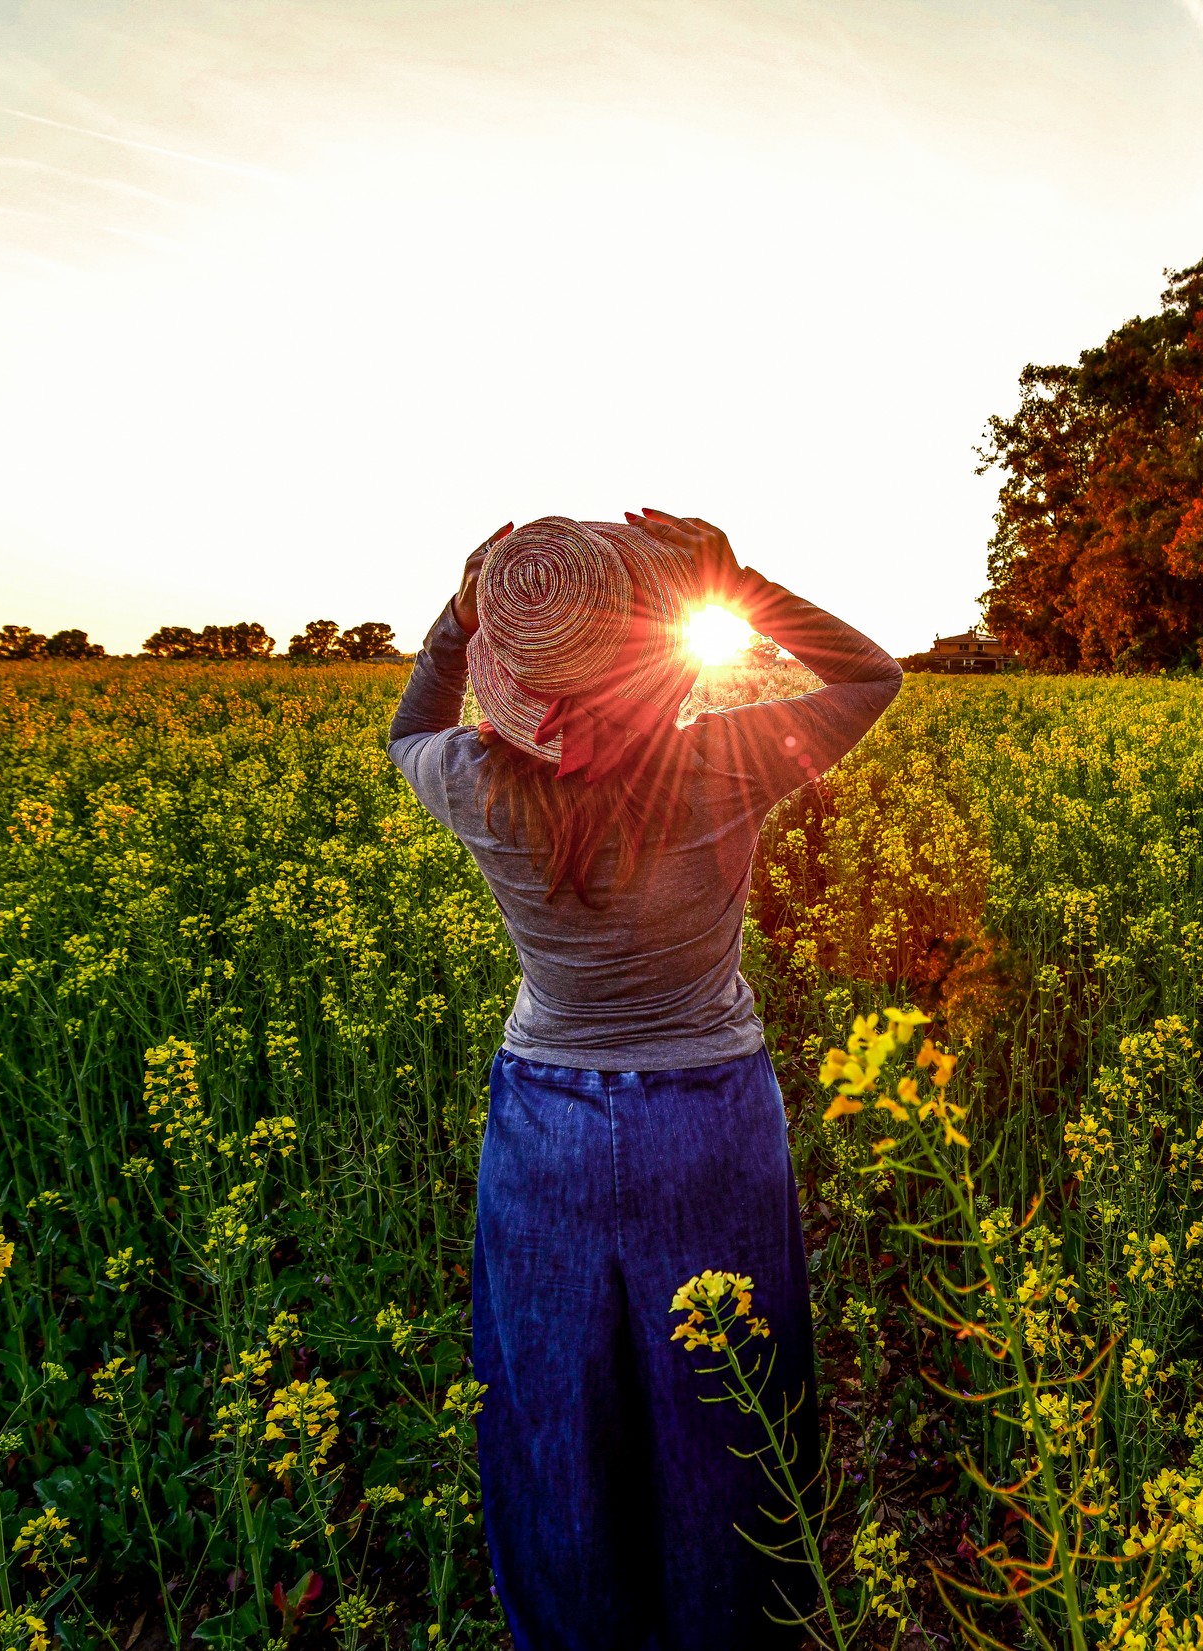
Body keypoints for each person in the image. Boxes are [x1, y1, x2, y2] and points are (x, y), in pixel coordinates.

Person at [386, 508, 902, 1650]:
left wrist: (461, 615)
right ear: (648, 661)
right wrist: (733, 580)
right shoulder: (719, 761)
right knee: (727, 1394)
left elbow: (405, 727)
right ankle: (733, 1623)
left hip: (545, 1124)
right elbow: (873, 675)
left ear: (508, 681)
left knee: (556, 1401)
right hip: (708, 1113)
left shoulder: (472, 778)